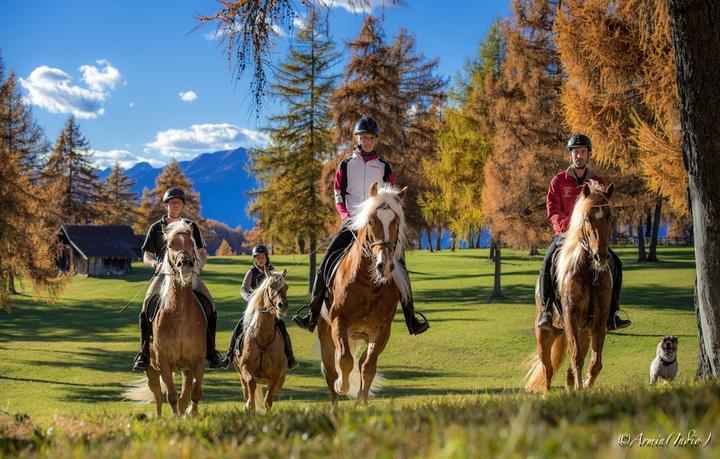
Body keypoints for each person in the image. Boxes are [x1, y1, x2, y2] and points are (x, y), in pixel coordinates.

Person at [292, 114, 429, 335]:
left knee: (400, 267)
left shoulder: (384, 167)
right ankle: (312, 314)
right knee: (325, 263)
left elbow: (391, 197)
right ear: (357, 139)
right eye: (363, 137)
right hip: (352, 222)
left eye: (371, 138)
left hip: (377, 226)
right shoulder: (346, 165)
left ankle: (411, 318)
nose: (367, 141)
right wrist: (345, 215)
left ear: (376, 140)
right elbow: (338, 193)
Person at [537, 134, 632, 331]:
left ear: (589, 154)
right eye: (575, 152)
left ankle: (612, 313)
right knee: (547, 262)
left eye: (582, 152)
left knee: (617, 264)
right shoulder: (558, 181)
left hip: (591, 239)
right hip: (566, 236)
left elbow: (602, 210)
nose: (579, 156)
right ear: (570, 155)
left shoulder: (596, 182)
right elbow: (552, 210)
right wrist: (568, 225)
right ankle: (546, 311)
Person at [132, 187, 225, 371]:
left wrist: (198, 266)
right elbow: (146, 255)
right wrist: (154, 264)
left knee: (210, 305)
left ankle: (212, 351)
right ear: (166, 205)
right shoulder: (156, 228)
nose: (175, 205)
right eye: (172, 202)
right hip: (164, 275)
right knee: (146, 307)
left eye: (178, 202)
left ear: (182, 205)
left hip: (189, 273)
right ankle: (143, 353)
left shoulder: (191, 226)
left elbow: (202, 252)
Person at [220, 244, 299, 370]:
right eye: (258, 257)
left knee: (282, 327)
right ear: (254, 259)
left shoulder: (273, 272)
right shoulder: (251, 272)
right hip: (255, 309)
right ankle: (229, 356)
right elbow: (243, 289)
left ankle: (290, 357)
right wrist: (250, 298)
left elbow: (279, 287)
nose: (261, 260)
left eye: (263, 257)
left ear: (266, 258)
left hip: (270, 310)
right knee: (239, 327)